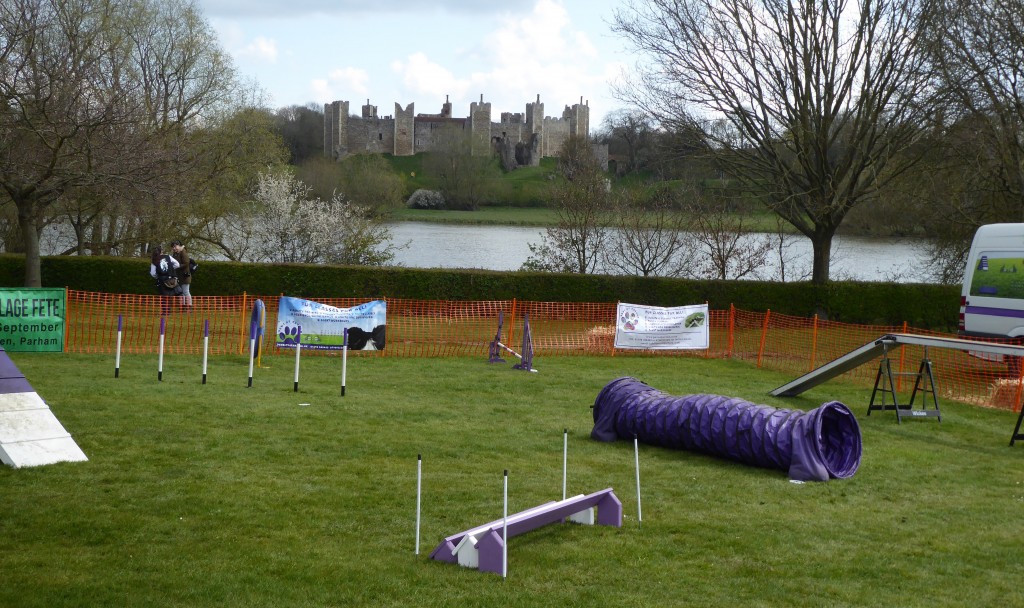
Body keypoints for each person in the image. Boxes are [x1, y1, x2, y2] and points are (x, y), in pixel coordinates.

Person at [149, 246, 180, 315]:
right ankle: (168, 311)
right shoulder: (168, 256)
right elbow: (177, 264)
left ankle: (165, 312)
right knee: (170, 295)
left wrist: (158, 276)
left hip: (162, 280)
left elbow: (153, 273)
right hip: (171, 278)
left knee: (164, 296)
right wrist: (171, 270)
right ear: (161, 251)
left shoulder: (154, 260)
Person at [170, 240, 193, 310]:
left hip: (185, 276)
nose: (174, 248)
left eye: (175, 246)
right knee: (180, 292)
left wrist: (177, 266)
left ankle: (189, 307)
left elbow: (186, 262)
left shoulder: (183, 251)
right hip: (178, 276)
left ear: (179, 245)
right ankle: (182, 306)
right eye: (172, 247)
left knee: (186, 291)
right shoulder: (175, 253)